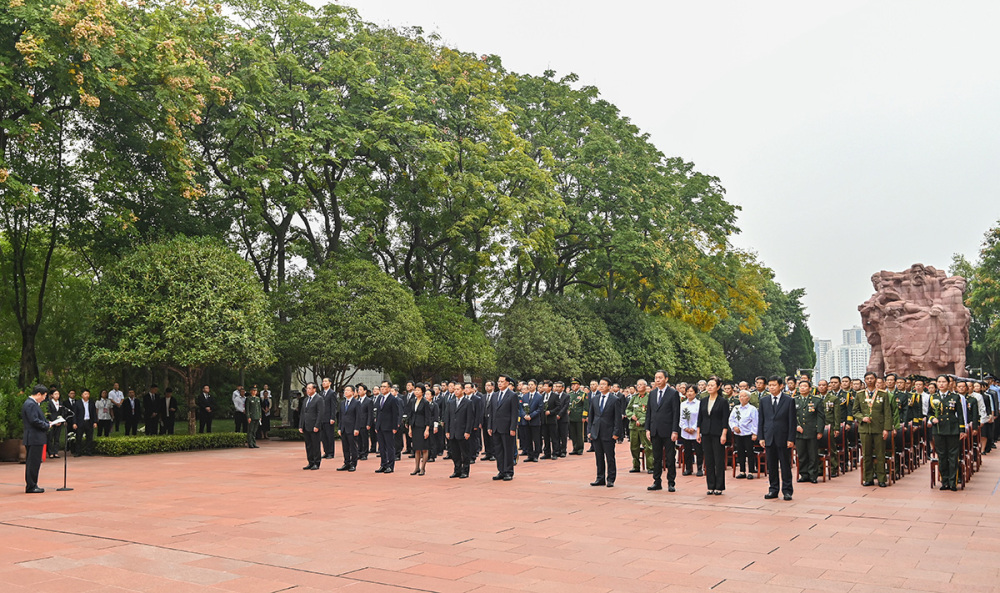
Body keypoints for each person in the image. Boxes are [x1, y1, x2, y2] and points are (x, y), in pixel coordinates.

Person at [759, 376, 796, 501]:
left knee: (785, 465)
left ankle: (787, 491)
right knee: (772, 465)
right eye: (769, 385)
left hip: (783, 437)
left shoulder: (789, 400)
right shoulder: (764, 401)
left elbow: (792, 422)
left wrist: (791, 439)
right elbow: (761, 420)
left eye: (774, 385)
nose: (771, 387)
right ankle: (773, 489)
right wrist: (761, 437)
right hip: (769, 437)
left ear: (781, 386)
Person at [853, 372, 891, 487]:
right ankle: (868, 478)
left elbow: (887, 413)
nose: (869, 380)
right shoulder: (859, 394)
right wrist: (862, 418)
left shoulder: (883, 394)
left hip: (878, 428)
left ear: (875, 380)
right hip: (865, 429)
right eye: (867, 378)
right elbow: (855, 411)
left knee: (880, 454)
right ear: (864, 380)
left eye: (871, 378)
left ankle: (881, 479)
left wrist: (886, 429)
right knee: (866, 455)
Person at [646, 370, 680, 492]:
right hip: (655, 430)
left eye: (660, 377)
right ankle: (657, 481)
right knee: (656, 457)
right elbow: (649, 412)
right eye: (656, 378)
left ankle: (671, 482)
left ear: (666, 379)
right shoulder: (652, 393)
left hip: (668, 430)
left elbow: (676, 413)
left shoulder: (673, 393)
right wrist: (647, 429)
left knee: (670, 458)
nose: (657, 380)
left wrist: (675, 430)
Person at [23, 385, 62, 493]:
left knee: (33, 462)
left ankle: (32, 484)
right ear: (38, 394)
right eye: (44, 396)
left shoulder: (32, 404)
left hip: (34, 436)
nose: (44, 398)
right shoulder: (30, 404)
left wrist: (47, 422)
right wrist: (46, 426)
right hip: (34, 437)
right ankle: (31, 486)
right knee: (33, 462)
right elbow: (34, 420)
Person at [931, 374, 965, 490]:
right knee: (942, 456)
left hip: (952, 430)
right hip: (939, 430)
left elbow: (960, 415)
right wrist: (932, 419)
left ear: (948, 383)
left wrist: (962, 429)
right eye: (939, 382)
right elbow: (929, 413)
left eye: (943, 382)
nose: (941, 384)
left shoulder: (955, 397)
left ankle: (953, 482)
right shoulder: (933, 397)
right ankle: (944, 481)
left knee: (953, 456)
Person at [588, 377, 623, 487]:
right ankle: (600, 478)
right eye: (600, 384)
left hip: (609, 432)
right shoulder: (595, 399)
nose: (601, 386)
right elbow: (591, 416)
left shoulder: (614, 400)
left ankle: (611, 479)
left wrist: (616, 433)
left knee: (610, 457)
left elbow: (617, 418)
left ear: (609, 387)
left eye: (604, 384)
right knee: (599, 457)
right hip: (596, 432)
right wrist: (589, 431)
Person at [698, 377, 730, 495]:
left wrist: (724, 434)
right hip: (706, 432)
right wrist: (698, 432)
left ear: (718, 387)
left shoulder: (723, 401)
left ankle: (719, 486)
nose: (709, 387)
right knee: (709, 460)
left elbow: (724, 419)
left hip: (718, 433)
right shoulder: (703, 401)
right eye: (708, 385)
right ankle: (710, 485)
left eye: (712, 385)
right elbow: (700, 418)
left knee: (718, 460)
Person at [794, 379, 825, 484]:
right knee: (802, 455)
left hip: (812, 431)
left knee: (812, 454)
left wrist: (820, 431)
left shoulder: (816, 400)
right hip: (799, 432)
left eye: (804, 386)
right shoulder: (794, 400)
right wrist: (796, 426)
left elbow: (820, 417)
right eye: (800, 386)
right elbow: (791, 416)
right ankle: (804, 474)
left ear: (810, 388)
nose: (802, 388)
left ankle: (813, 475)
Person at [490, 375, 519, 481]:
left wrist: (513, 428)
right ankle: (501, 470)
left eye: (502, 381)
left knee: (508, 450)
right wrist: (490, 426)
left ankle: (508, 471)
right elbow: (492, 412)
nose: (500, 383)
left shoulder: (512, 395)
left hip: (507, 428)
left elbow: (514, 413)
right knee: (498, 450)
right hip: (496, 427)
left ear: (507, 383)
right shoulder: (495, 395)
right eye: (498, 381)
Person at [445, 384, 476, 478]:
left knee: (465, 453)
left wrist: (468, 431)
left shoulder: (468, 402)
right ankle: (457, 470)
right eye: (455, 389)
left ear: (462, 390)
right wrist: (447, 430)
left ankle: (465, 471)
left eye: (458, 389)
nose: (456, 391)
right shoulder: (451, 402)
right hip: (452, 431)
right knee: (455, 453)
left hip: (463, 431)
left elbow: (470, 418)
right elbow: (447, 417)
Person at [729, 389, 758, 479]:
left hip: (748, 433)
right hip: (738, 434)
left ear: (748, 398)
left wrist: (754, 433)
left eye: (744, 396)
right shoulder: (736, 408)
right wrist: (734, 427)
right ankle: (742, 471)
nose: (741, 398)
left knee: (750, 452)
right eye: (740, 396)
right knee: (740, 452)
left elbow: (755, 421)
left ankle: (751, 471)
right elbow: (731, 419)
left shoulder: (752, 409)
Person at [374, 381, 401, 473]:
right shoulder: (380, 398)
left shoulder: (393, 399)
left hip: (389, 426)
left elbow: (395, 414)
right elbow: (378, 413)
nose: (382, 388)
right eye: (381, 386)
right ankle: (383, 464)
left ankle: (390, 465)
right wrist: (377, 426)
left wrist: (395, 427)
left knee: (389, 447)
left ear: (389, 388)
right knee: (381, 447)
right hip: (380, 426)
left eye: (384, 387)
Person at [627, 379, 653, 473]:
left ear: (645, 386)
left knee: (648, 447)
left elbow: (651, 412)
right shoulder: (634, 397)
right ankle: (636, 466)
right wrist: (631, 416)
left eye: (641, 385)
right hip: (634, 426)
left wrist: (641, 421)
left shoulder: (650, 397)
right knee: (634, 447)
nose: (639, 386)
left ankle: (650, 467)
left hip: (644, 427)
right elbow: (628, 410)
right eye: (637, 385)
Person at [298, 383, 325, 470]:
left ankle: (316, 463)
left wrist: (317, 425)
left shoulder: (319, 399)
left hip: (314, 426)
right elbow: (303, 413)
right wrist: (301, 425)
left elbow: (320, 413)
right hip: (306, 425)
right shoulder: (306, 399)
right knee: (308, 445)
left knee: (315, 445)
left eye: (309, 388)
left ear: (314, 389)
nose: (308, 390)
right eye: (307, 388)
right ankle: (310, 462)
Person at [408, 384, 434, 475]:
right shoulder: (412, 401)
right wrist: (410, 428)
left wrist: (427, 429)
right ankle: (416, 467)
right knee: (416, 448)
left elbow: (428, 417)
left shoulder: (425, 402)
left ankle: (423, 468)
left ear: (422, 392)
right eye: (415, 390)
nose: (416, 392)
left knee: (424, 448)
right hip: (415, 427)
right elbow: (410, 415)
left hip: (422, 427)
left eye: (418, 390)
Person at [679, 385, 702, 476]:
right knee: (687, 451)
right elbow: (681, 417)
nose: (689, 393)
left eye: (691, 391)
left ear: (695, 393)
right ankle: (688, 468)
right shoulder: (683, 404)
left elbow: (699, 417)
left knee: (699, 450)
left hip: (696, 431)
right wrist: (685, 428)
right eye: (688, 391)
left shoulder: (699, 404)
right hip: (685, 431)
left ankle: (699, 468)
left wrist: (694, 428)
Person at [337, 385, 360, 471]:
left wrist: (356, 428)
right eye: (345, 391)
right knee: (345, 447)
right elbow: (340, 416)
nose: (345, 392)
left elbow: (358, 417)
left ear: (353, 392)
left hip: (352, 428)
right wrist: (339, 427)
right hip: (343, 428)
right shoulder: (343, 403)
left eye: (348, 390)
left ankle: (353, 464)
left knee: (353, 447)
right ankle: (346, 463)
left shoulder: (356, 403)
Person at [72, 389, 98, 456]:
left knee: (89, 437)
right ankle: (78, 452)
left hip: (89, 422)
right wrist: (74, 423)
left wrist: (95, 422)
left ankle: (88, 451)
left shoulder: (92, 403)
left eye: (88, 394)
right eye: (85, 394)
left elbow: (94, 413)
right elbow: (74, 414)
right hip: (80, 422)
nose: (87, 395)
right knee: (79, 437)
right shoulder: (77, 403)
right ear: (82, 395)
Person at [568, 379, 589, 455]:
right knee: (573, 433)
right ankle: (575, 448)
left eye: (575, 384)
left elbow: (585, 406)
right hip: (571, 416)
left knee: (579, 434)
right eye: (572, 385)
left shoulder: (583, 394)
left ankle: (580, 448)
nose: (573, 386)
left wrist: (584, 416)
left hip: (579, 416)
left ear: (579, 385)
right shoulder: (570, 394)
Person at [321, 378, 338, 460]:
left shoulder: (332, 393)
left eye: (325, 381)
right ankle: (326, 452)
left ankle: (331, 452)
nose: (324, 383)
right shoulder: (321, 394)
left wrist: (332, 417)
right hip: (322, 418)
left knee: (329, 436)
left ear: (330, 383)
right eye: (323, 381)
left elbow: (333, 406)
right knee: (323, 436)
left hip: (329, 418)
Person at [45, 389, 66, 459]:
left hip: (59, 422)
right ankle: (50, 452)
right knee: (50, 438)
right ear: (52, 395)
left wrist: (60, 420)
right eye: (55, 394)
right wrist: (54, 421)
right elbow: (49, 413)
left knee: (57, 438)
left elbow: (62, 412)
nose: (57, 395)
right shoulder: (49, 403)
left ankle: (56, 452)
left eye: (58, 394)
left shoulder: (61, 403)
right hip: (52, 422)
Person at [480, 381, 497, 461]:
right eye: (486, 385)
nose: (487, 387)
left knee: (492, 437)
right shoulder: (483, 397)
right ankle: (488, 453)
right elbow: (481, 409)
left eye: (489, 385)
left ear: (493, 387)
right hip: (484, 419)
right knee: (485, 437)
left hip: (493, 419)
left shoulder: (496, 396)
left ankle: (494, 454)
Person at [357, 384, 373, 460]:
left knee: (364, 439)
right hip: (357, 423)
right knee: (358, 439)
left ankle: (364, 453)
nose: (358, 391)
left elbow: (370, 413)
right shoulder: (357, 401)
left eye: (360, 390)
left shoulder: (369, 401)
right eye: (358, 390)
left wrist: (369, 423)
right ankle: (359, 452)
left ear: (365, 391)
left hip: (364, 422)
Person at [555, 381, 571, 457]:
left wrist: (559, 414)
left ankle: (563, 450)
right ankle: (557, 450)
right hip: (554, 418)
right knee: (556, 435)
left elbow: (565, 406)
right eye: (556, 386)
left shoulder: (566, 396)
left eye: (559, 387)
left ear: (563, 388)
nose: (557, 388)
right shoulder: (554, 395)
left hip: (563, 418)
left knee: (563, 435)